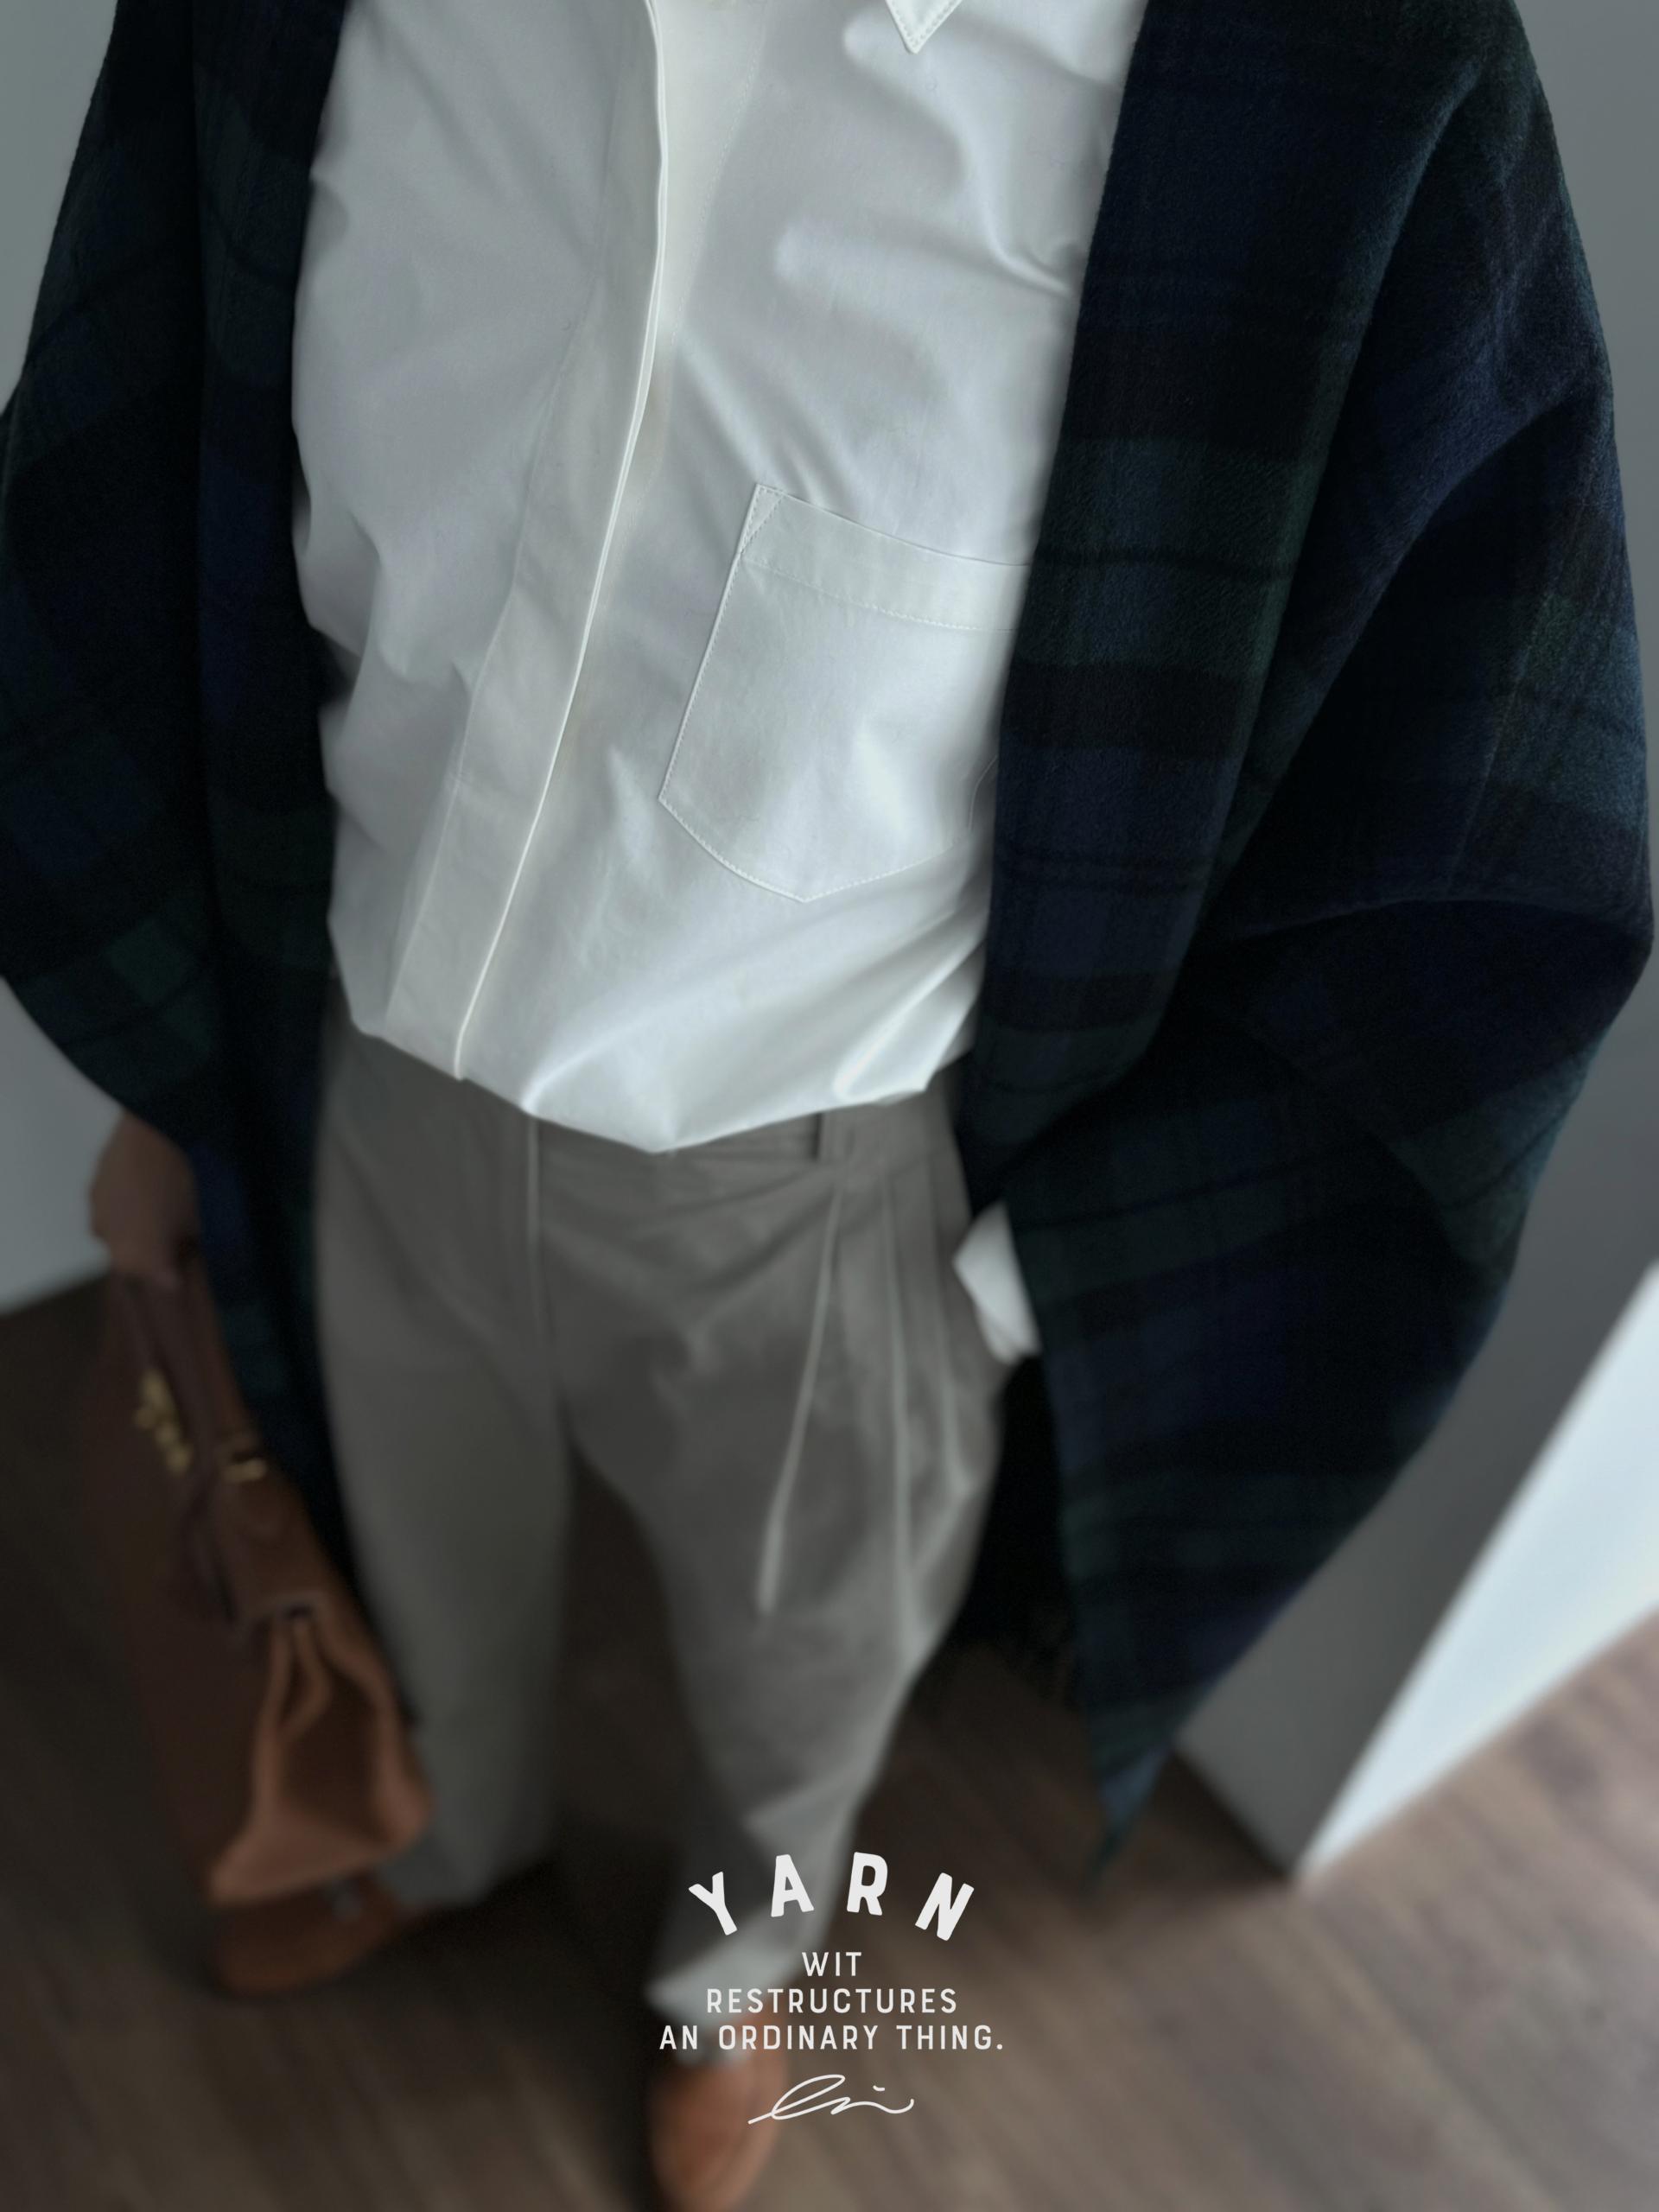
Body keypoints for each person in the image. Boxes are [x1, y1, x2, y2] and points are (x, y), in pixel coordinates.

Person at [8, 2, 1651, 2208]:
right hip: (362, 1087)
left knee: (801, 1679)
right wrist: (178, 1083)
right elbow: (141, 477)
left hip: (812, 1198)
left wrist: (991, 1295)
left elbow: (1466, 835)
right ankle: (454, 1833)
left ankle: (733, 1978)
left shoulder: (1352, 93)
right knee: (413, 1549)